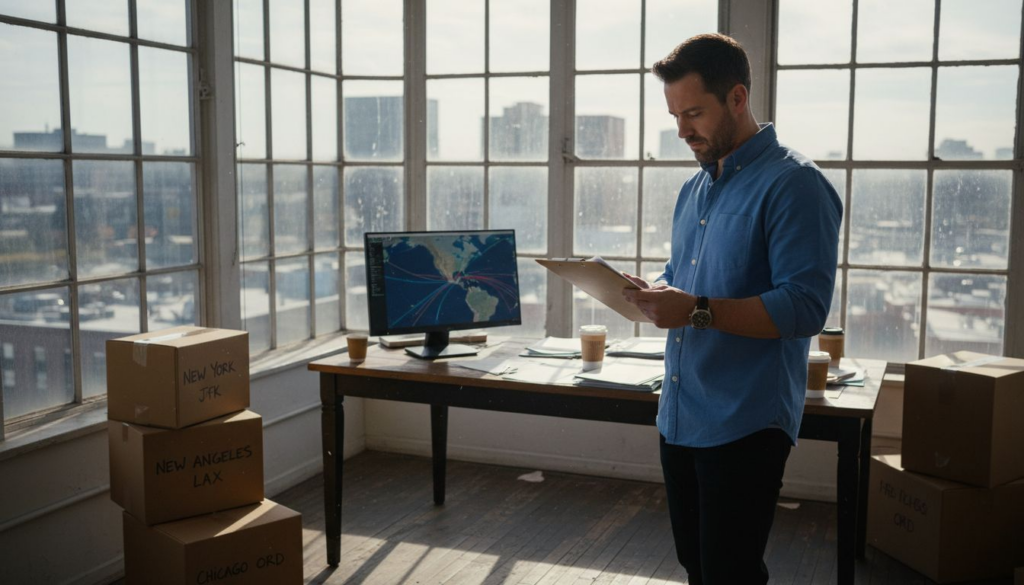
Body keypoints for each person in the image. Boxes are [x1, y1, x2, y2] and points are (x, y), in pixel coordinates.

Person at [621, 33, 842, 585]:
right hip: (680, 411)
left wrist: (693, 309)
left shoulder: (796, 185)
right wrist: (655, 292)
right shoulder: (695, 188)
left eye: (694, 113)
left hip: (745, 421)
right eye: (674, 115)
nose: (681, 131)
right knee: (696, 565)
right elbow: (687, 277)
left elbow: (804, 308)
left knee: (730, 574)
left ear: (738, 98)